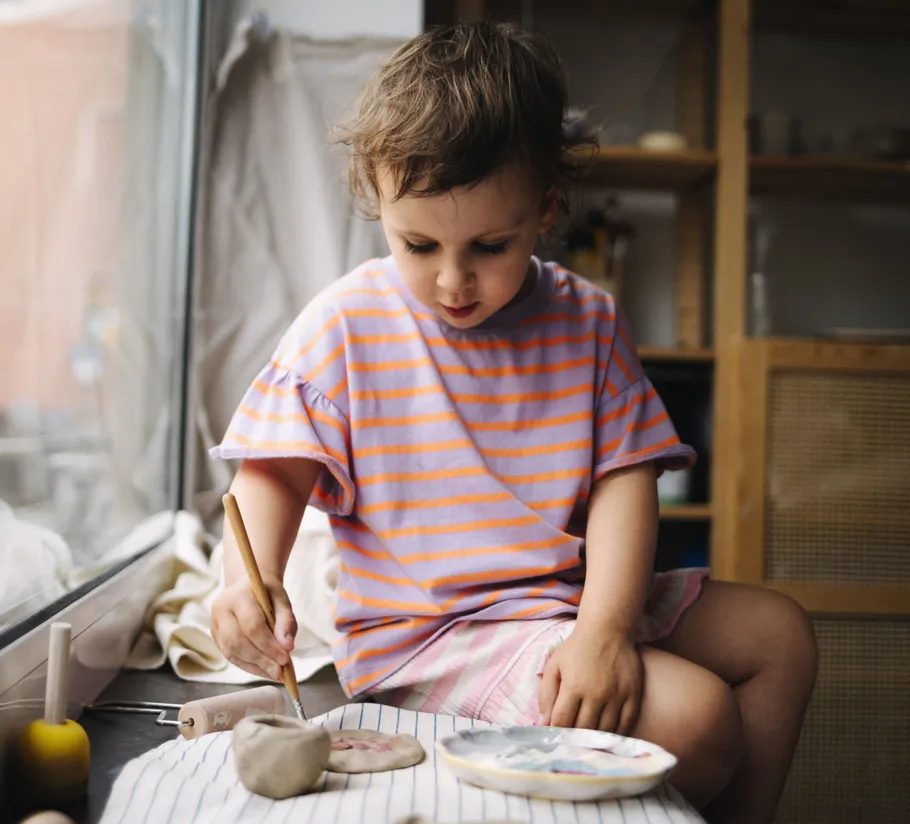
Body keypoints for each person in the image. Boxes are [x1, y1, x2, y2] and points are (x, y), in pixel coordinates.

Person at [209, 21, 817, 823]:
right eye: (417, 244)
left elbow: (623, 484)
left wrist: (602, 631)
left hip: (567, 599)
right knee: (700, 721)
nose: (452, 281)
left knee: (782, 635)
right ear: (379, 202)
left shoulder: (589, 319)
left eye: (489, 246)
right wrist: (244, 586)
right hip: (436, 635)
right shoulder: (345, 325)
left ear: (547, 209)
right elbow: (272, 475)